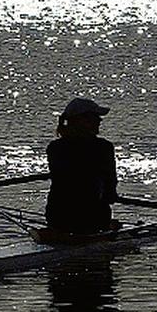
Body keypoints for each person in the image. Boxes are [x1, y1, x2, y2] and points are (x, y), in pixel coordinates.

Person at [45, 98, 118, 235]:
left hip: (57, 217)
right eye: (96, 117)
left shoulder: (54, 147)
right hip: (92, 219)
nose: (100, 121)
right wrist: (110, 196)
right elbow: (110, 188)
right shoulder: (103, 147)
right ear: (83, 121)